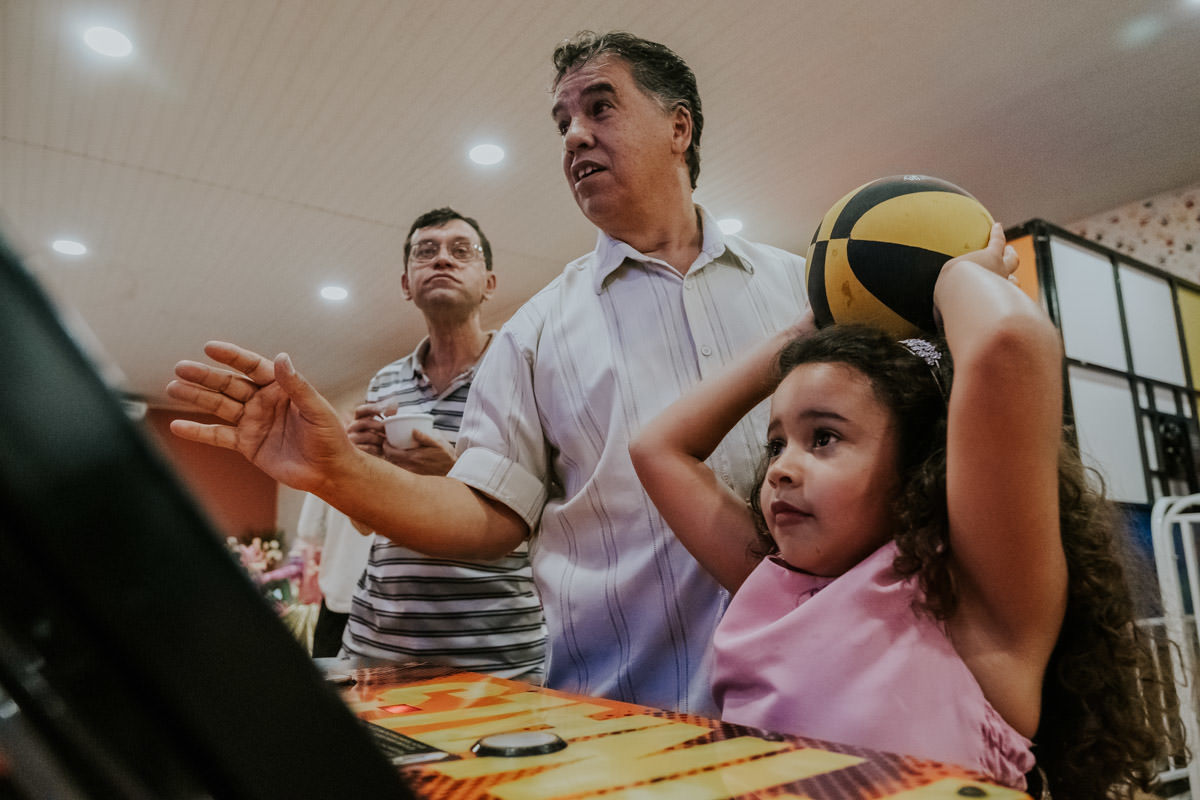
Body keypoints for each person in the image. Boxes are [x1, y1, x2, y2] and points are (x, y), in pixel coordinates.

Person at [166, 31, 807, 714]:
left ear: (680, 126)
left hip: (812, 706)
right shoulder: (536, 334)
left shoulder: (802, 291)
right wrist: (336, 473)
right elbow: (487, 512)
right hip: (623, 720)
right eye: (563, 122)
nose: (573, 136)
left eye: (599, 108)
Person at [629, 224, 1178, 798]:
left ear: (916, 465)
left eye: (823, 438)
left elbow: (1009, 342)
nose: (781, 469)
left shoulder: (968, 600)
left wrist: (954, 276)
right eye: (776, 444)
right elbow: (657, 450)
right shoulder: (773, 589)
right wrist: (808, 332)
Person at [339, 207, 546, 681]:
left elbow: (556, 509)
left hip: (497, 649)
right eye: (425, 252)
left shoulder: (525, 370)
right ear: (406, 284)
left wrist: (454, 473)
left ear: (489, 282)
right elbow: (364, 522)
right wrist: (358, 467)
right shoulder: (386, 381)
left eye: (461, 251)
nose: (442, 261)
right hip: (379, 639)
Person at [294, 492, 372, 658]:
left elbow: (309, 530)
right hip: (390, 598)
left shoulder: (327, 465)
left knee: (329, 673)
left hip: (341, 587)